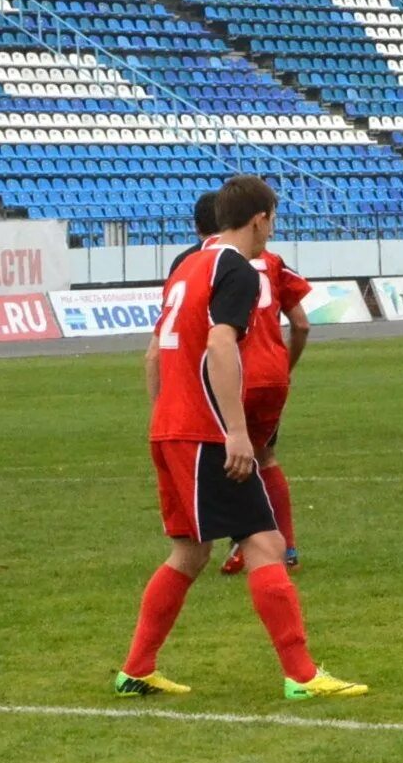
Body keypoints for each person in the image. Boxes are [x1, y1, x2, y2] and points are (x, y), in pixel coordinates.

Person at [119, 175, 367, 701]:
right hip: (205, 429)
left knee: (189, 553)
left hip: (171, 426)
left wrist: (163, 420)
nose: (272, 229)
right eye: (272, 219)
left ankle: (136, 669)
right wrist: (235, 432)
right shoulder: (236, 268)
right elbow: (222, 343)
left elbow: (151, 355)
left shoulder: (187, 265)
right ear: (259, 219)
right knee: (265, 541)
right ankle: (302, 677)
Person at [219, 210, 314, 575]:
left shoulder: (212, 264)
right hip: (272, 376)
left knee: (230, 459)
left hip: (235, 373)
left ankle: (244, 545)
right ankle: (286, 546)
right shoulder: (274, 263)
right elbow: (302, 324)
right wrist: (283, 366)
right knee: (265, 457)